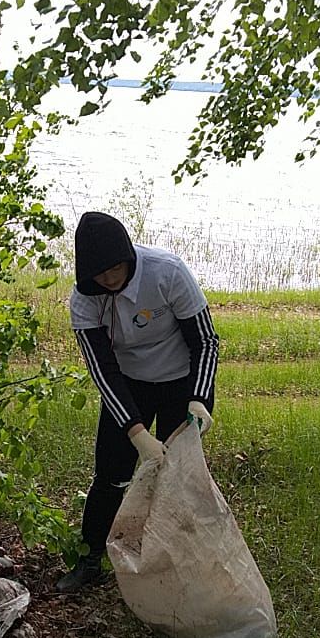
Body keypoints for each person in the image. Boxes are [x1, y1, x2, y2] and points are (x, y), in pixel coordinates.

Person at [56, 211, 219, 594]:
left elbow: (206, 341)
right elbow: (102, 370)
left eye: (116, 268)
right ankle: (90, 559)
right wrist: (136, 431)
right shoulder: (84, 298)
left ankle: (173, 563)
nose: (110, 279)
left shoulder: (167, 272)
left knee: (177, 478)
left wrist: (200, 399)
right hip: (127, 383)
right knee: (110, 476)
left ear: (129, 256)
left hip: (180, 381)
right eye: (100, 273)